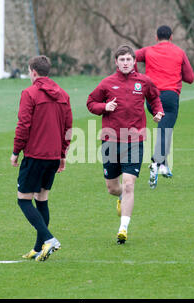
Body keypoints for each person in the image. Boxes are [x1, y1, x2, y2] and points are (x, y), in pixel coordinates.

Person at [87, 45, 164, 244]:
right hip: (110, 140)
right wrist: (105, 106)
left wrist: (157, 112)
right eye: (122, 60)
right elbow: (91, 103)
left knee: (129, 185)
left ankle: (123, 228)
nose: (126, 63)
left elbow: (155, 98)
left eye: (129, 60)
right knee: (113, 188)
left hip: (135, 140)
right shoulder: (107, 83)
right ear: (116, 62)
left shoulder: (144, 81)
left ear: (134, 61)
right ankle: (120, 197)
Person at [11, 55, 72, 262]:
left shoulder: (30, 93)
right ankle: (39, 248)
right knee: (41, 199)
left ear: (33, 72)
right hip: (53, 156)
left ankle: (49, 239)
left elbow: (23, 124)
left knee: (23, 200)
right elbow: (68, 128)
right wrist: (62, 154)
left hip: (35, 155)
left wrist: (15, 151)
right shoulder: (63, 94)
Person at [135, 25, 194, 189]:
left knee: (164, 128)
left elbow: (130, 56)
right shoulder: (179, 52)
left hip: (151, 96)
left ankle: (164, 165)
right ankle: (156, 162)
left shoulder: (148, 51)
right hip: (169, 96)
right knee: (165, 130)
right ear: (171, 37)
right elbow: (190, 78)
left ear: (156, 37)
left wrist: (136, 76)